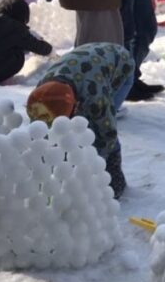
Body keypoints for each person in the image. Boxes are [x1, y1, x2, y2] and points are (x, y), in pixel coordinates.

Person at [26, 42, 135, 199]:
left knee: (98, 126)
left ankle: (116, 179)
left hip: (120, 64)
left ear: (74, 105)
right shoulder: (41, 95)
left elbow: (107, 132)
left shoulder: (95, 97)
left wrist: (93, 167)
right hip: (84, 62)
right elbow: (39, 131)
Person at [0, 0, 53, 86]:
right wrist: (50, 49)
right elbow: (35, 45)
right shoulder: (15, 29)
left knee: (10, 47)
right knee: (18, 54)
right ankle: (1, 80)